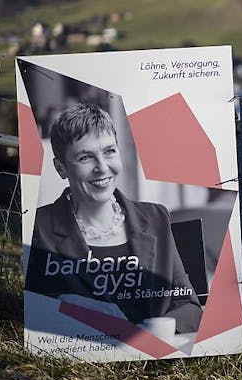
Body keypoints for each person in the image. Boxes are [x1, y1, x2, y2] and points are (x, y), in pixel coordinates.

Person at [25, 103, 202, 334]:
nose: (102, 167)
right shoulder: (36, 227)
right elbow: (26, 313)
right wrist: (67, 306)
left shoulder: (156, 217)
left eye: (110, 151)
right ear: (61, 168)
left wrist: (156, 331)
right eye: (85, 157)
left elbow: (189, 306)